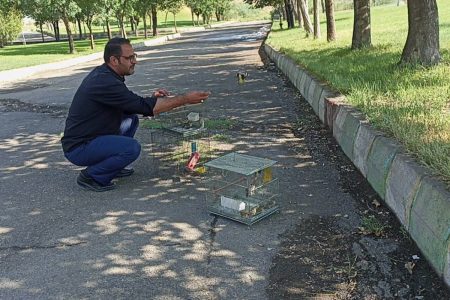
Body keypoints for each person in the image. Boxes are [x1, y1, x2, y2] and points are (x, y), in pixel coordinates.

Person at [61, 37, 210, 192]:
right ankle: (91, 176)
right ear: (114, 60)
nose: (134, 61)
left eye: (134, 56)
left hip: (92, 137)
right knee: (131, 148)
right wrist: (185, 99)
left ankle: (111, 166)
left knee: (130, 120)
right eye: (129, 58)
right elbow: (146, 108)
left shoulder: (106, 75)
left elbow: (130, 104)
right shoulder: (104, 81)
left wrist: (153, 99)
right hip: (79, 148)